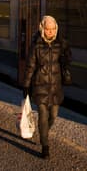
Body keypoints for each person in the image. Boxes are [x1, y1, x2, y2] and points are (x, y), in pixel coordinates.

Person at [22, 15, 71, 159]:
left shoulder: (59, 44)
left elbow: (67, 60)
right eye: (47, 29)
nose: (50, 32)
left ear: (56, 29)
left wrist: (66, 55)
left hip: (56, 87)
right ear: (42, 29)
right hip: (40, 86)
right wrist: (26, 85)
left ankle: (44, 132)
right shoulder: (36, 45)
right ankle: (45, 146)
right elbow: (30, 66)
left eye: (52, 29)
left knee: (53, 116)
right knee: (43, 115)